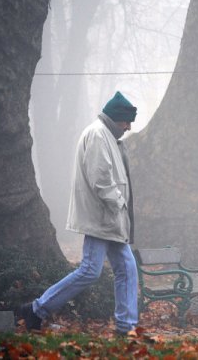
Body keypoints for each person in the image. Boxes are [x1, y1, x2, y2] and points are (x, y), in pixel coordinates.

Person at [19, 91, 138, 335]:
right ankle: (36, 309)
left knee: (126, 268)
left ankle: (126, 327)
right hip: (101, 219)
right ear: (116, 118)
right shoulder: (98, 135)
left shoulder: (107, 136)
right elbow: (101, 179)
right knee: (90, 271)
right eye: (126, 121)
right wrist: (119, 204)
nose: (128, 126)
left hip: (109, 219)